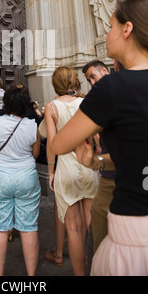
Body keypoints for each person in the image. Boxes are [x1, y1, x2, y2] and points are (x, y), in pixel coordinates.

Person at [48, 0, 148, 276]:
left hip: (137, 229)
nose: (106, 35)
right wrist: (100, 164)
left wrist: (88, 155)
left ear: (127, 29)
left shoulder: (113, 89)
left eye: (110, 27)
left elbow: (58, 144)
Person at [45, 67, 100, 276]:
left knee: (74, 230)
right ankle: (99, 268)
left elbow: (52, 144)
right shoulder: (85, 103)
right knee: (93, 225)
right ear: (75, 81)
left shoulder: (52, 107)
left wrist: (51, 172)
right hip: (87, 168)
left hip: (65, 170)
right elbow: (96, 137)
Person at [0, 85, 41, 276]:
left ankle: (0, 276)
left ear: (6, 102)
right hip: (26, 176)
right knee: (28, 228)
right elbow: (35, 154)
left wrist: (1, 166)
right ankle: (31, 277)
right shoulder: (33, 126)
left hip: (0, 175)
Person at [82, 60, 116, 254]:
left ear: (105, 70)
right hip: (109, 176)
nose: (92, 83)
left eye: (93, 77)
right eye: (89, 80)